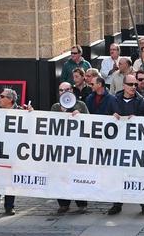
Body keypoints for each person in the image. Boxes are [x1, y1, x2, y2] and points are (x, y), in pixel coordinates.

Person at [107, 74, 144, 216]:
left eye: (135, 85)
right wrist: (111, 118)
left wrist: (140, 121)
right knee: (119, 175)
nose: (134, 87)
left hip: (136, 146)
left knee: (140, 175)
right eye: (131, 84)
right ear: (124, 85)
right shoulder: (114, 100)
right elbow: (103, 118)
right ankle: (117, 203)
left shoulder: (143, 102)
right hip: (119, 145)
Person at [51, 82, 89, 214]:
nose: (64, 92)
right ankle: (63, 203)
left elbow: (90, 122)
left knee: (78, 175)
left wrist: (81, 116)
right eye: (61, 90)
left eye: (67, 89)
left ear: (72, 90)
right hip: (61, 149)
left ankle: (81, 203)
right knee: (61, 176)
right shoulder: (56, 107)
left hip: (77, 147)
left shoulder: (81, 105)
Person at [0, 88, 23, 217]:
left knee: (10, 179)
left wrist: (31, 113)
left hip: (12, 151)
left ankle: (9, 207)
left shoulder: (21, 112)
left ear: (10, 99)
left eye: (2, 96)